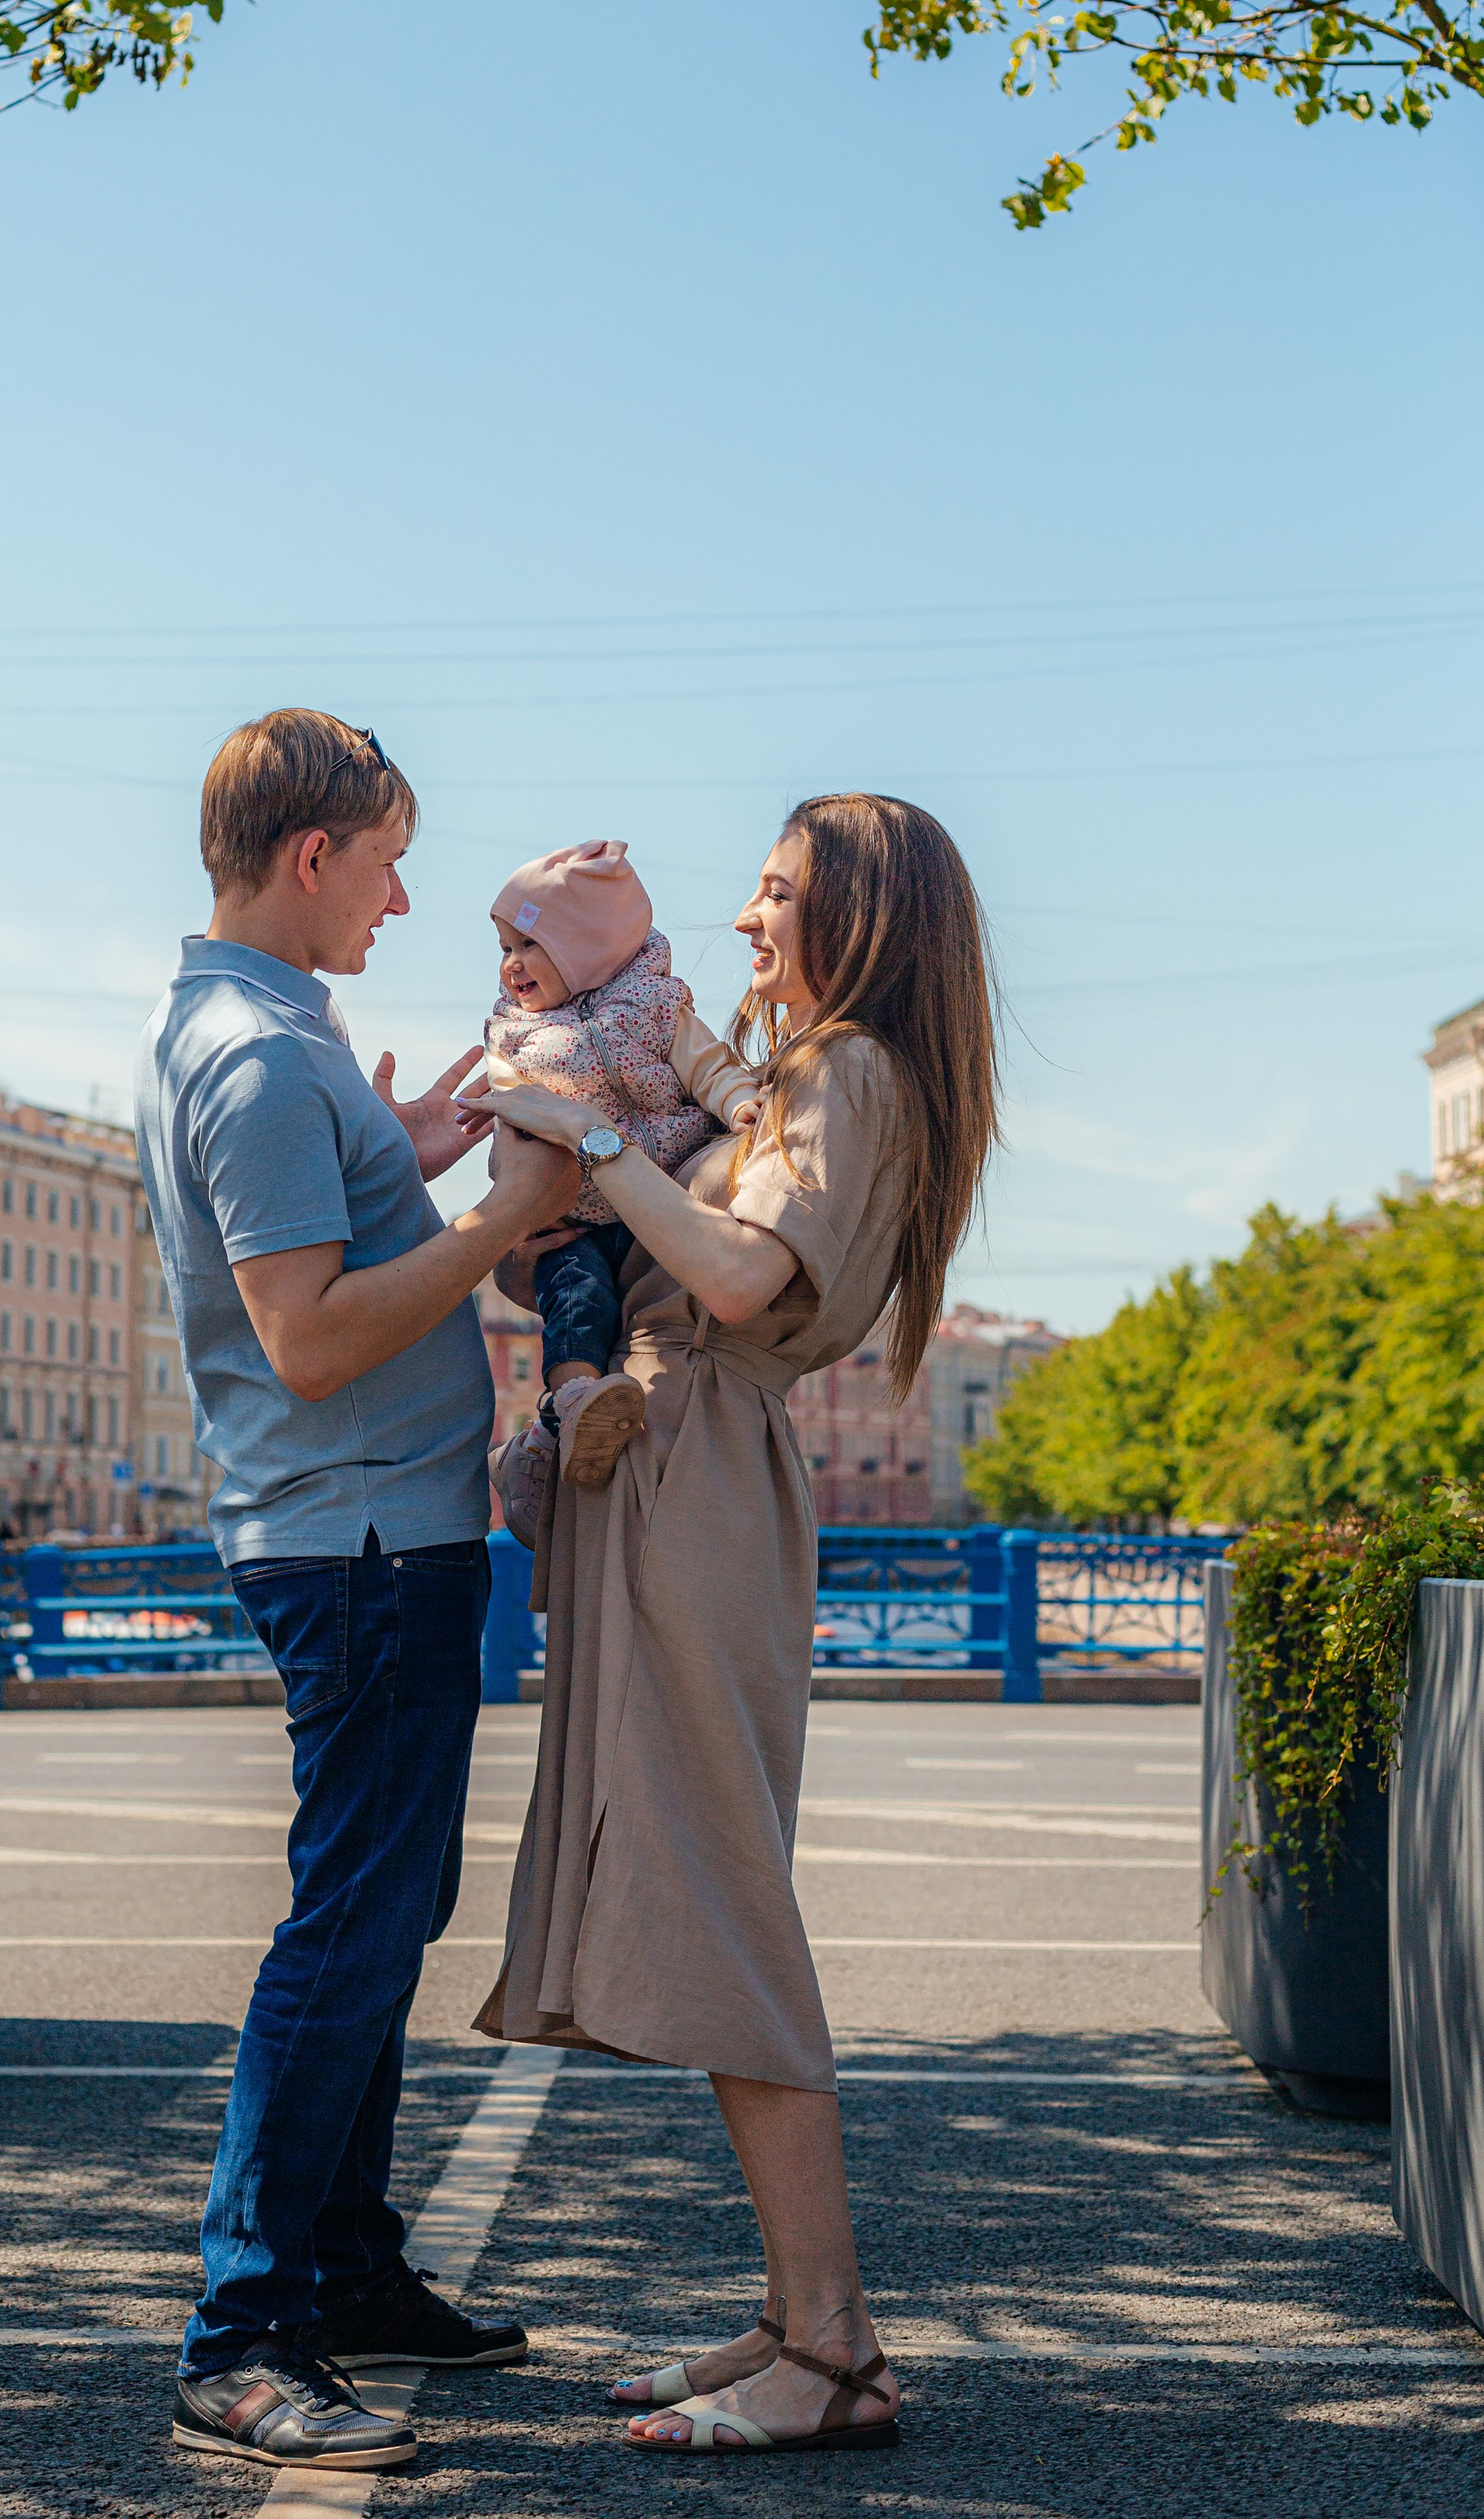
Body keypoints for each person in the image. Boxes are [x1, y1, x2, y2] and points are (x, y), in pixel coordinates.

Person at [475, 794, 999, 2458]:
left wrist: (591, 1134)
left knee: (722, 1901)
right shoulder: (810, 1076)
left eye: (777, 898)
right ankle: (791, 2320)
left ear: (862, 919)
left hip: (695, 1474)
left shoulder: (847, 1074)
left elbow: (725, 1280)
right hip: (680, 1472)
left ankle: (832, 2347)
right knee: (706, 1885)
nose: (747, 921)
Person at [134, 707, 580, 2477]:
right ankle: (243, 2333)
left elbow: (321, 1247)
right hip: (362, 1540)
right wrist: (494, 1222)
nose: (402, 896)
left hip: (374, 1537)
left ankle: (346, 2258)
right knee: (349, 1924)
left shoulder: (275, 1042)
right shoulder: (253, 1058)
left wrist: (409, 1147)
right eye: (387, 860)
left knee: (384, 1908)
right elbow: (309, 1339)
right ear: (307, 855)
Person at [481, 837, 758, 1485]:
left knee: (649, 1311)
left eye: (527, 945)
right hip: (573, 1213)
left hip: (657, 1196)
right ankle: (575, 1405)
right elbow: (509, 1122)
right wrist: (512, 1201)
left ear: (586, 946)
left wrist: (742, 1101)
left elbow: (708, 1065)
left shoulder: (655, 1008)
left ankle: (549, 1446)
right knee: (576, 1295)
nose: (511, 966)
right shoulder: (513, 1037)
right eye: (504, 950)